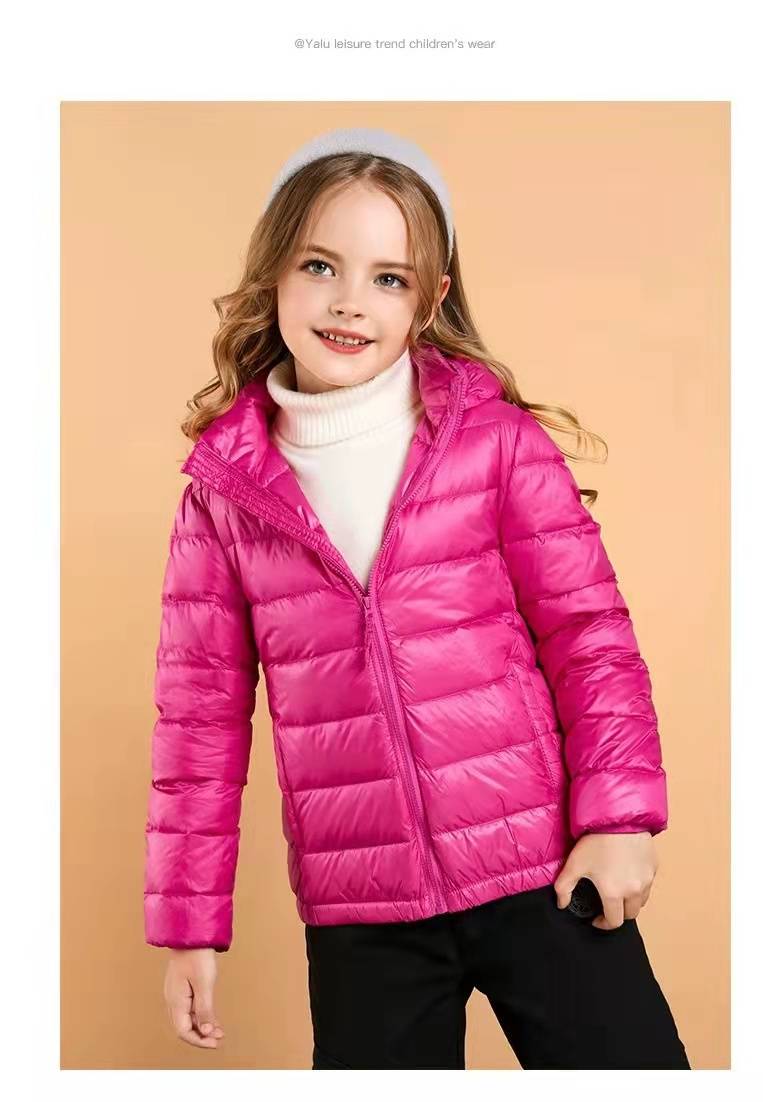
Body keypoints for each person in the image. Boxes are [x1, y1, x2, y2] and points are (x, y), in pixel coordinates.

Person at [143, 127, 691, 1070]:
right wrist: (190, 926)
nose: (350, 302)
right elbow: (198, 723)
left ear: (430, 300)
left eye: (388, 278)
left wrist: (619, 818)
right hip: (363, 912)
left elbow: (589, 636)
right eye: (320, 265)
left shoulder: (494, 444)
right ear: (274, 273)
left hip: (543, 870)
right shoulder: (225, 494)